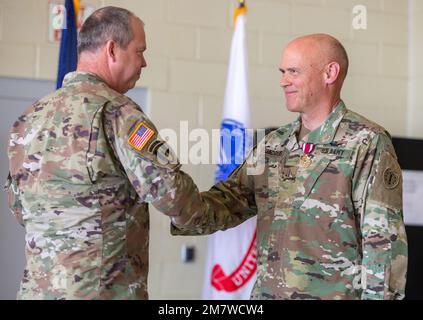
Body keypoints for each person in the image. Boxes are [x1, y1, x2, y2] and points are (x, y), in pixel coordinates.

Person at [170, 34, 408, 300]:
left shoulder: (367, 143)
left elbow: (383, 248)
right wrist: (169, 194)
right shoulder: (274, 145)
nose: (283, 81)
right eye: (283, 72)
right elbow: (225, 205)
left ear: (330, 73)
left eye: (293, 71)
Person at [4, 6, 197, 300]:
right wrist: (220, 208)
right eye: (140, 51)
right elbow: (173, 195)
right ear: (112, 49)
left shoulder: (28, 118)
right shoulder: (118, 113)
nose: (144, 62)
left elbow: (19, 208)